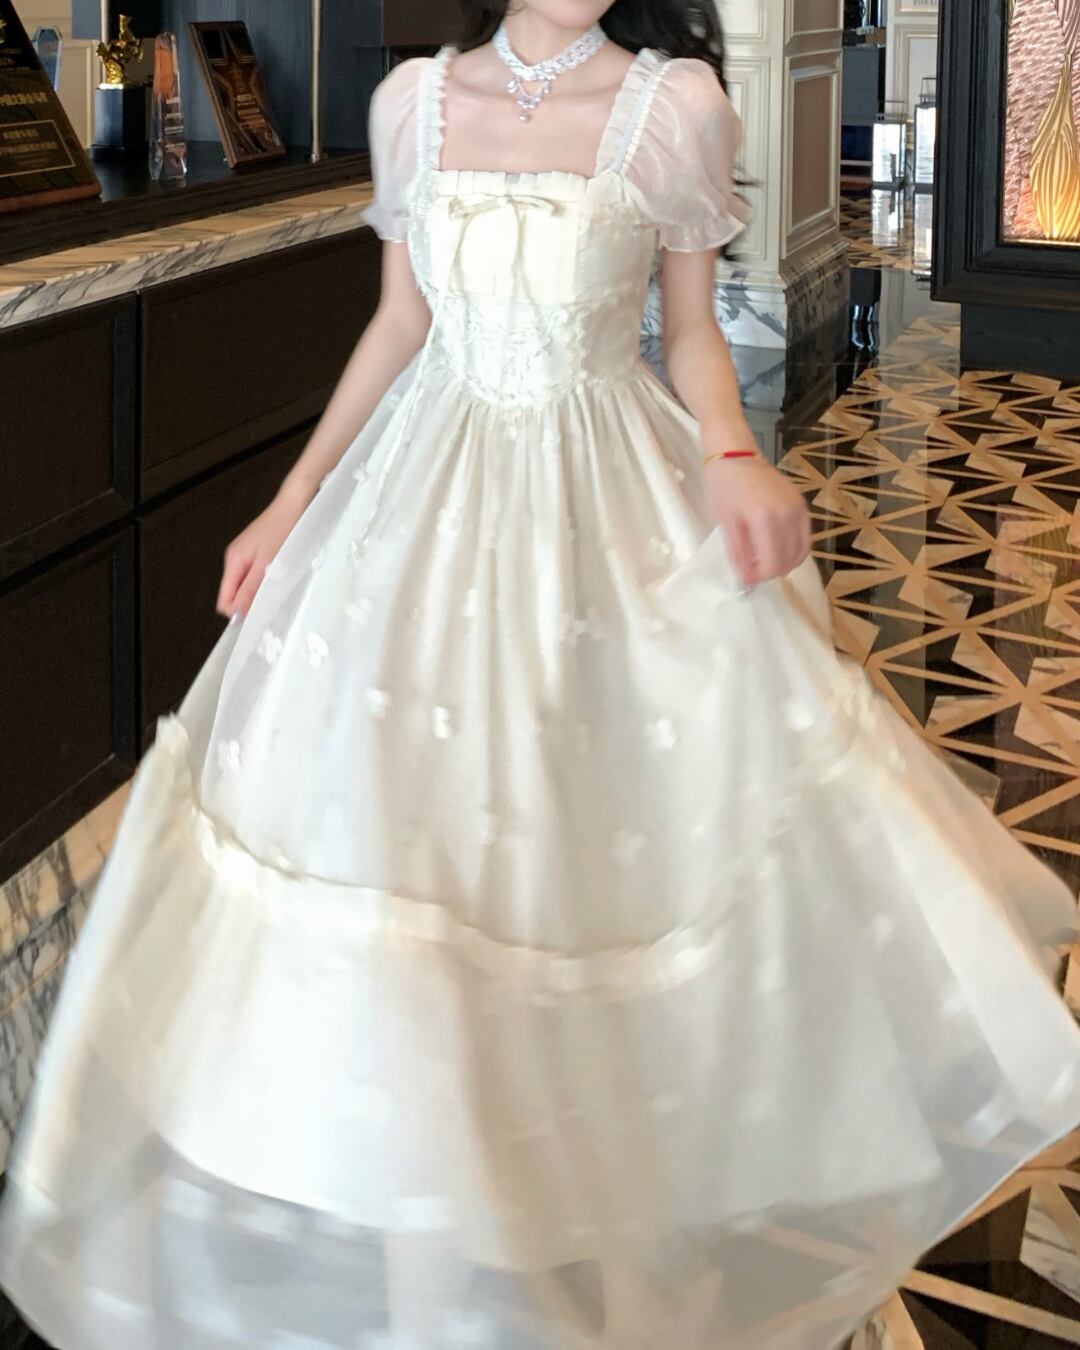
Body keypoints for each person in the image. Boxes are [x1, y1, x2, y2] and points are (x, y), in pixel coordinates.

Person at [3, 2, 1080, 1347]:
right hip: (423, 498)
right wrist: (292, 501)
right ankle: (432, 1224)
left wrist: (732, 456)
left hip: (601, 504)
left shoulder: (677, 104)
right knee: (411, 850)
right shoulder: (412, 103)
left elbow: (692, 334)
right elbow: (399, 324)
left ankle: (580, 1212)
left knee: (576, 857)